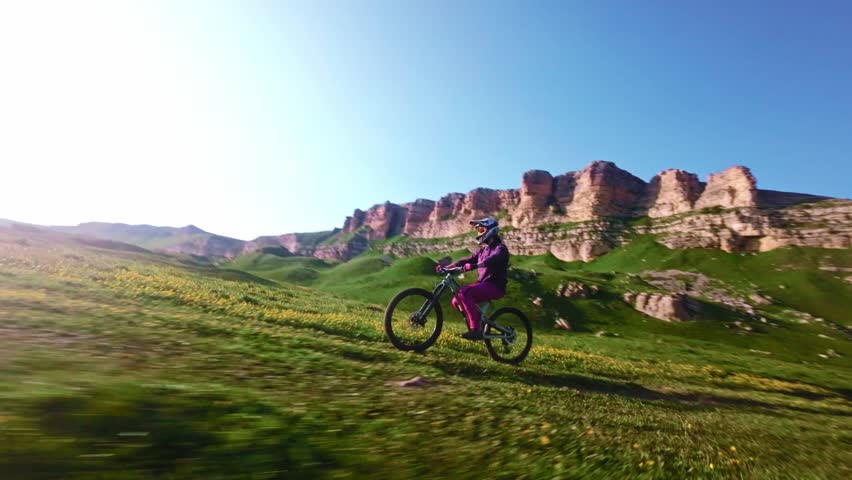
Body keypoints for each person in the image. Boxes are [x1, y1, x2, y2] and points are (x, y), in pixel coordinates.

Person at [437, 217, 510, 341]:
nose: (479, 233)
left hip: (495, 286)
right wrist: (448, 267)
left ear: (491, 230)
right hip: (483, 285)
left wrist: (475, 266)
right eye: (478, 231)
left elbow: (491, 260)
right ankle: (479, 322)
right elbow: (467, 260)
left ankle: (475, 330)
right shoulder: (483, 250)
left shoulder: (500, 248)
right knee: (456, 301)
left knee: (465, 292)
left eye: (481, 230)